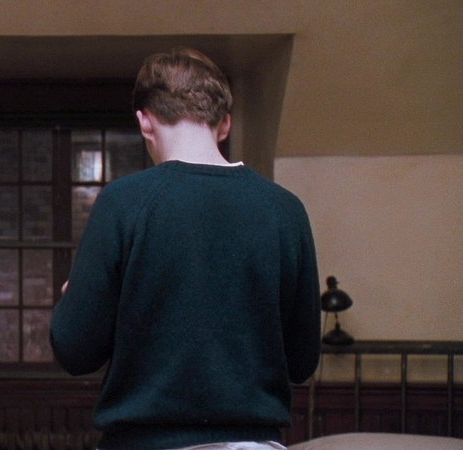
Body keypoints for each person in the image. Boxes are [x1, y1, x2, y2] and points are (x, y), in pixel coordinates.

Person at [49, 48, 321, 450]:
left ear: (145, 121)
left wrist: (78, 300)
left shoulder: (124, 203)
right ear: (224, 124)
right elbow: (302, 362)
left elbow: (74, 351)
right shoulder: (285, 210)